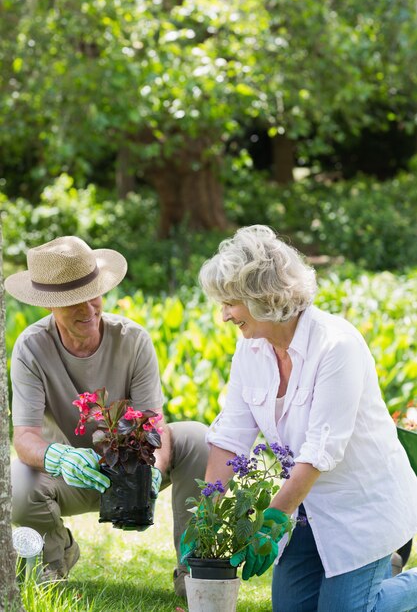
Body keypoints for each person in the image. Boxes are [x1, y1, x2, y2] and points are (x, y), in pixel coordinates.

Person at [196, 225, 417, 612]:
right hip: (304, 514)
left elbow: (319, 452)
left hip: (361, 511)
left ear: (262, 296)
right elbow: (231, 434)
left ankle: (392, 577)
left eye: (231, 302)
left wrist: (268, 524)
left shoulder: (336, 345)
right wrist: (208, 514)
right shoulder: (251, 350)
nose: (225, 315)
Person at [5, 236, 208, 597]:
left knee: (196, 437)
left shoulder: (133, 339)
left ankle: (193, 571)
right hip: (73, 475)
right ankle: (56, 558)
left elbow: (153, 422)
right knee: (14, 483)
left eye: (93, 293)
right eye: (73, 301)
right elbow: (24, 437)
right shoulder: (31, 348)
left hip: (133, 467)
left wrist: (151, 476)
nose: (88, 308)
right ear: (51, 305)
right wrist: (59, 456)